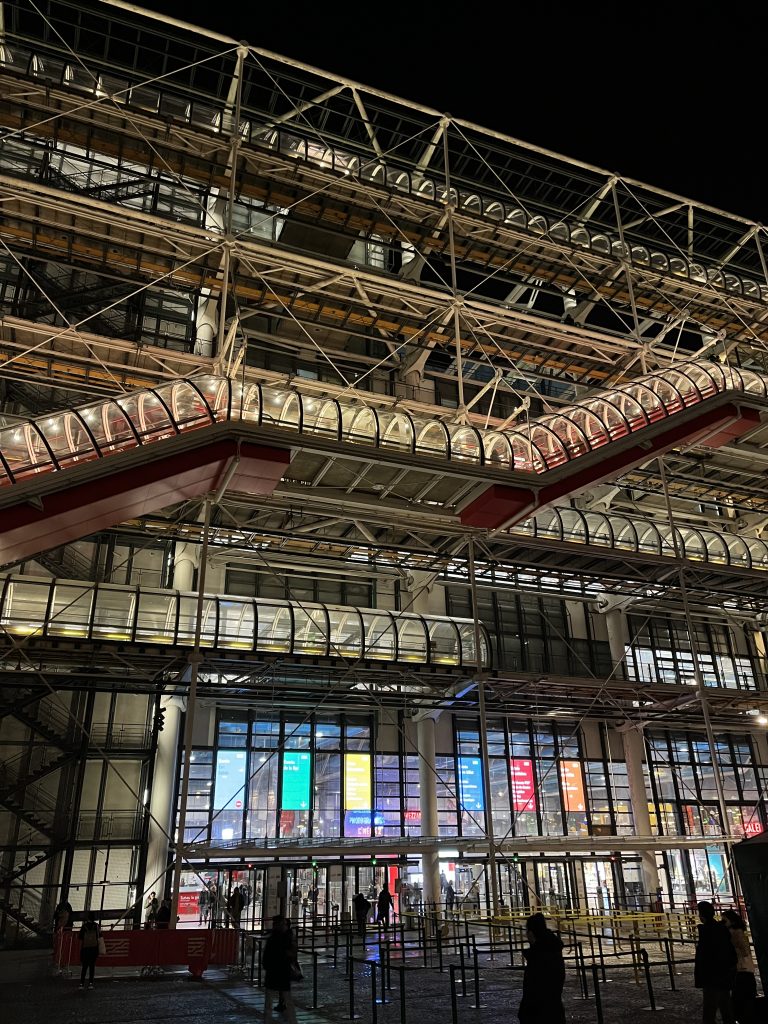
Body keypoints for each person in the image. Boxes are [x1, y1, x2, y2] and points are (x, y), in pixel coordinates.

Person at [518, 912, 565, 1024]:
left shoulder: (539, 955)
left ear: (531, 933)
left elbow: (533, 985)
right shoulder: (553, 947)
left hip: (538, 1011)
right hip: (555, 1009)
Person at [695, 901, 736, 1024]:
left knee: (710, 1009)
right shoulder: (722, 929)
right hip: (724, 973)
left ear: (702, 915)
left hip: (711, 975)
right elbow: (730, 951)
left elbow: (704, 957)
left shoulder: (706, 931)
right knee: (726, 1007)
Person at [261, 915, 297, 1024]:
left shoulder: (274, 938)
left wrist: (267, 966)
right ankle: (292, 1021)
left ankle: (268, 1020)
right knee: (287, 999)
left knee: (269, 1000)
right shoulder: (287, 937)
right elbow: (291, 954)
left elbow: (267, 956)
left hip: (274, 972)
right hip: (282, 972)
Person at [723, 910, 756, 1023]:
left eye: (724, 920)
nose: (723, 922)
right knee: (746, 995)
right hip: (747, 967)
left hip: (741, 968)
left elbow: (742, 951)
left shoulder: (733, 933)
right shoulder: (740, 931)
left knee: (739, 995)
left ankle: (740, 1017)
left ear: (731, 920)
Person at [78, 912, 100, 989]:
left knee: (84, 967)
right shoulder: (96, 926)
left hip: (85, 948)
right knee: (92, 966)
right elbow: (99, 936)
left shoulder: (84, 926)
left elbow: (80, 937)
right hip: (94, 948)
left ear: (88, 918)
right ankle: (91, 983)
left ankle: (81, 983)